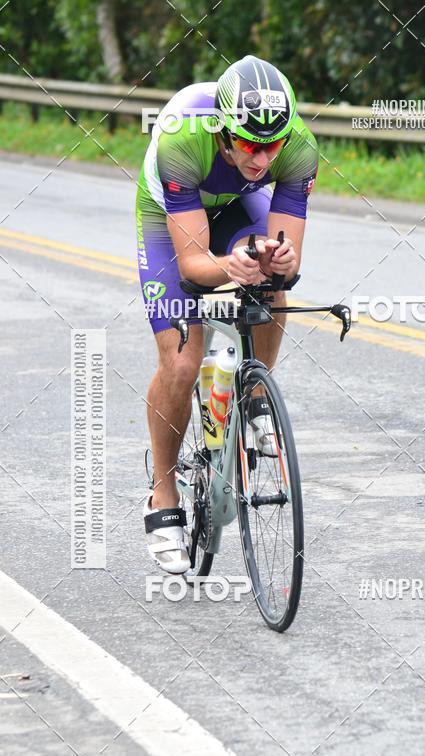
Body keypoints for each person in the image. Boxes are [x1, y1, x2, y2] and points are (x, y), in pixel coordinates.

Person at [135, 55, 318, 574]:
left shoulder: (297, 147)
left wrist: (275, 259)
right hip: (170, 216)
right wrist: (226, 265)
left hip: (238, 204)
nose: (262, 158)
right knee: (183, 362)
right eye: (249, 144)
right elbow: (194, 266)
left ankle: (256, 393)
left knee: (272, 281)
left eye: (272, 145)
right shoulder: (181, 139)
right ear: (223, 131)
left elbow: (290, 253)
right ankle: (163, 493)